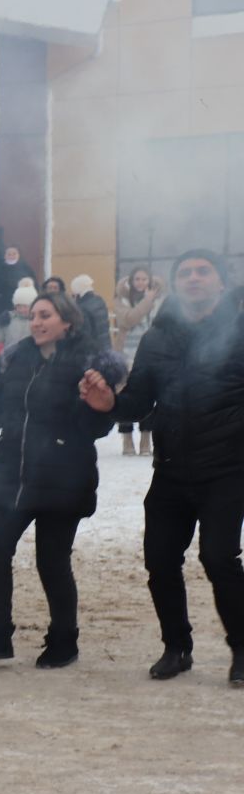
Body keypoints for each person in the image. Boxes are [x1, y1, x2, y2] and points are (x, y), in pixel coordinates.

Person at [102, 248, 244, 684]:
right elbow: (139, 399)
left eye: (204, 271)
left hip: (227, 467)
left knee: (219, 558)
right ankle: (176, 647)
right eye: (185, 273)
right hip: (171, 469)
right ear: (176, 284)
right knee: (160, 562)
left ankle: (242, 650)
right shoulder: (158, 336)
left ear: (221, 282)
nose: (194, 278)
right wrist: (109, 403)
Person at [0, 295, 123, 669]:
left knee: (51, 560)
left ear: (67, 322)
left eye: (45, 315)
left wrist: (101, 406)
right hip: (11, 472)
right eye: (33, 315)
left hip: (62, 476)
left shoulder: (89, 363)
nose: (36, 322)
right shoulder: (18, 357)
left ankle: (64, 640)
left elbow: (96, 427)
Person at [114, 267, 162, 456]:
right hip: (126, 354)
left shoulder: (159, 301)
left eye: (144, 279)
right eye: (137, 279)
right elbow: (128, 320)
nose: (141, 282)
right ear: (131, 282)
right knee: (126, 394)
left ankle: (145, 438)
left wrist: (152, 301)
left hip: (151, 353)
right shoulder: (122, 300)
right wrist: (146, 301)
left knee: (151, 394)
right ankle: (127, 438)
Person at [0, 244, 40, 320]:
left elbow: (35, 286)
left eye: (14, 254)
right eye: (9, 254)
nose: (11, 256)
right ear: (4, 256)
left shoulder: (25, 268)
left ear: (19, 255)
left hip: (23, 307)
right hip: (3, 306)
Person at [71, 274, 112, 352]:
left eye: (73, 295)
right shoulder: (99, 300)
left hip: (93, 351)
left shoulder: (82, 308)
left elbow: (85, 335)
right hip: (106, 346)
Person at [0, 285, 36, 351]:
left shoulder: (37, 320)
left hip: (32, 357)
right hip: (10, 357)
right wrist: (1, 325)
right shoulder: (9, 318)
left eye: (25, 306)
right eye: (19, 306)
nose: (21, 310)